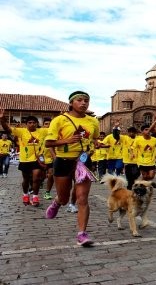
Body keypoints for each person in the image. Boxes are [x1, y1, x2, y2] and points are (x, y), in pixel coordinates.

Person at [44, 91, 99, 246]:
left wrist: (97, 144)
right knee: (63, 198)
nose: (83, 103)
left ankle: (82, 234)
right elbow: (48, 143)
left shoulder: (93, 121)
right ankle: (56, 202)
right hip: (63, 161)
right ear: (71, 103)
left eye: (86, 100)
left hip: (83, 161)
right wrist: (67, 140)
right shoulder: (59, 120)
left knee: (82, 198)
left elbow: (94, 138)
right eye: (79, 100)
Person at [0, 113, 48, 206]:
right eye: (30, 122)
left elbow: (55, 129)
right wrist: (2, 120)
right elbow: (7, 129)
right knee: (26, 180)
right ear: (26, 124)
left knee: (36, 177)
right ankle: (25, 194)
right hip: (25, 160)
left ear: (37, 124)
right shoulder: (21, 131)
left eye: (34, 122)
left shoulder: (42, 131)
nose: (32, 124)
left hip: (37, 159)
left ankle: (35, 197)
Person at [41, 118, 56, 200]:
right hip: (40, 156)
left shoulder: (55, 133)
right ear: (43, 125)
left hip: (51, 157)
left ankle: (47, 192)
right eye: (46, 124)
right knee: (39, 175)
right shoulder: (39, 133)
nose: (48, 125)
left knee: (51, 175)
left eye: (50, 124)